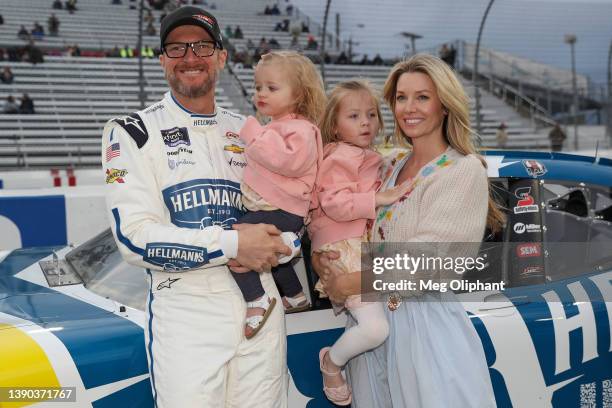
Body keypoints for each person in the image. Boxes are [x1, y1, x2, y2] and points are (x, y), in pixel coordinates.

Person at [102, 6, 290, 407]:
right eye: (177, 48)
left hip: (263, 307)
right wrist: (234, 244)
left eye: (202, 46)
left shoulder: (251, 131)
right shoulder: (132, 132)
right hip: (186, 311)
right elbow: (134, 239)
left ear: (221, 57)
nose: (190, 57)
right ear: (163, 61)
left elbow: (294, 204)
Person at [314, 54, 504, 408]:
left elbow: (433, 260)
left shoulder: (463, 170)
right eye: (401, 97)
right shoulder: (389, 165)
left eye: (422, 97)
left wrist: (353, 281)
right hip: (372, 331)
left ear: (444, 105)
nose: (409, 108)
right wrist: (327, 262)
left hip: (427, 334)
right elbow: (345, 220)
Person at [309, 80, 411, 406]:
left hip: (353, 245)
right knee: (376, 330)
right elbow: (335, 203)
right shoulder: (339, 156)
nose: (366, 122)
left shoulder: (360, 154)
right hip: (343, 246)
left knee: (375, 326)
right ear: (334, 127)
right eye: (353, 116)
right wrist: (380, 198)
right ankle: (331, 363)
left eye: (371, 114)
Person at [231, 50, 326, 338]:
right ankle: (296, 297)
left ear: (298, 95)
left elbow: (288, 162)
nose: (262, 93)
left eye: (272, 88)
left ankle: (257, 299)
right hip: (276, 207)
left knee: (237, 247)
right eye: (258, 87)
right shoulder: (278, 125)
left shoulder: (301, 129)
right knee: (275, 255)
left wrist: (253, 133)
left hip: (283, 208)